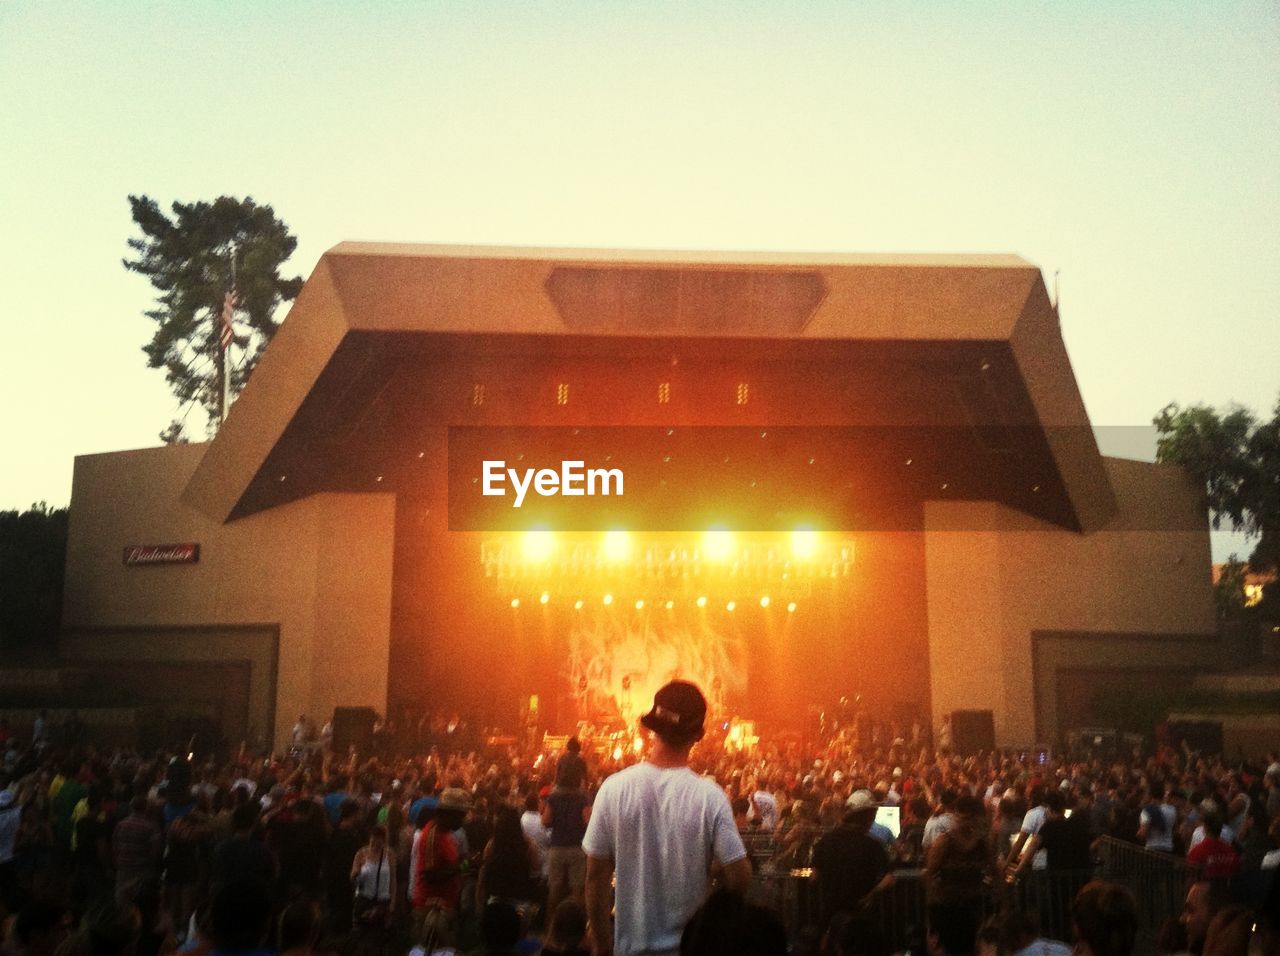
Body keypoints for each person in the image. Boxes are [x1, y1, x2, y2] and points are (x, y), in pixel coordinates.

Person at [583, 680, 750, 956]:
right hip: (689, 949)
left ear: (652, 727)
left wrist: (602, 946)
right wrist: (712, 886)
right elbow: (740, 878)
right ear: (698, 735)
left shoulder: (613, 789)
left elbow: (594, 877)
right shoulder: (709, 796)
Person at [812, 789, 894, 927]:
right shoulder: (873, 845)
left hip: (830, 915)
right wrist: (871, 894)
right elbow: (889, 878)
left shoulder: (825, 841)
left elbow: (813, 875)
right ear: (867, 816)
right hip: (860, 917)